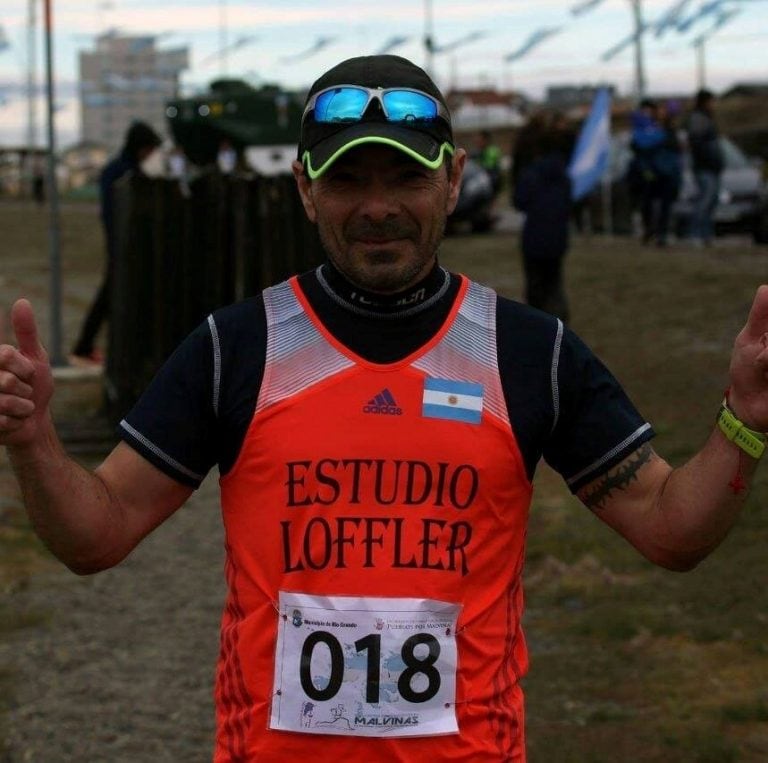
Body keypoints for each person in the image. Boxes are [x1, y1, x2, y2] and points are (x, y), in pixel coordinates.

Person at [0, 54, 767, 762]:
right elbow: (95, 535)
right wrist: (34, 440)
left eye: (404, 177)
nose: (377, 207)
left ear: (454, 178)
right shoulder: (237, 347)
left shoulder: (528, 352)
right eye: (346, 180)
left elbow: (672, 530)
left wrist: (744, 419)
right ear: (304, 187)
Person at [69, 121, 163, 366]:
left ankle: (87, 345)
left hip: (123, 246)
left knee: (112, 296)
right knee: (112, 297)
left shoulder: (128, 169)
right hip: (121, 246)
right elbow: (115, 214)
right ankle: (85, 346)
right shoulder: (121, 172)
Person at [513, 117, 572, 323]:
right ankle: (561, 320)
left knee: (536, 285)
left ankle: (539, 324)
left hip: (534, 237)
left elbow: (519, 201)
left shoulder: (531, 173)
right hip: (558, 236)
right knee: (554, 281)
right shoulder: (564, 175)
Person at [628, 99, 683, 247]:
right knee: (648, 203)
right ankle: (651, 230)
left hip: (664, 171)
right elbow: (636, 146)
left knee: (664, 204)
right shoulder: (645, 129)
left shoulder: (666, 129)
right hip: (650, 171)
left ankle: (661, 233)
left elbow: (675, 147)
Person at [685, 88, 724, 245]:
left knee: (709, 202)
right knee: (704, 202)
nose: (714, 105)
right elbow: (697, 143)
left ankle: (706, 235)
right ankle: (696, 234)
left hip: (710, 167)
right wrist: (708, 159)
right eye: (712, 101)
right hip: (705, 167)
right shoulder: (699, 119)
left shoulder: (705, 118)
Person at [472, 129, 502, 196]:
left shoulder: (492, 151)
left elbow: (488, 166)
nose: (477, 142)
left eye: (480, 140)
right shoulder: (478, 151)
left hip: (492, 180)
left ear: (486, 140)